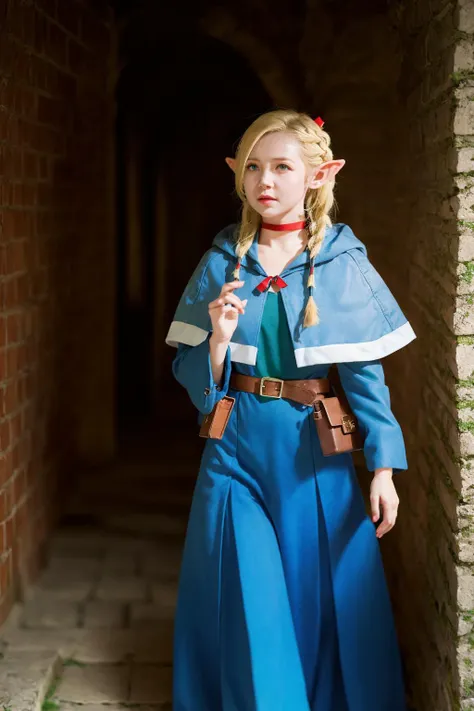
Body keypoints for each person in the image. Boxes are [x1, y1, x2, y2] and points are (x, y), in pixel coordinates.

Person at [165, 109, 416, 711]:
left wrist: (383, 468)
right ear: (236, 173)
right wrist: (219, 338)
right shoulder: (220, 261)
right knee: (250, 595)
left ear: (319, 176)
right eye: (252, 166)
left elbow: (364, 372)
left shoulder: (341, 260)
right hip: (236, 451)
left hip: (315, 454)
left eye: (282, 167)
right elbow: (191, 373)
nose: (265, 181)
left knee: (314, 597)